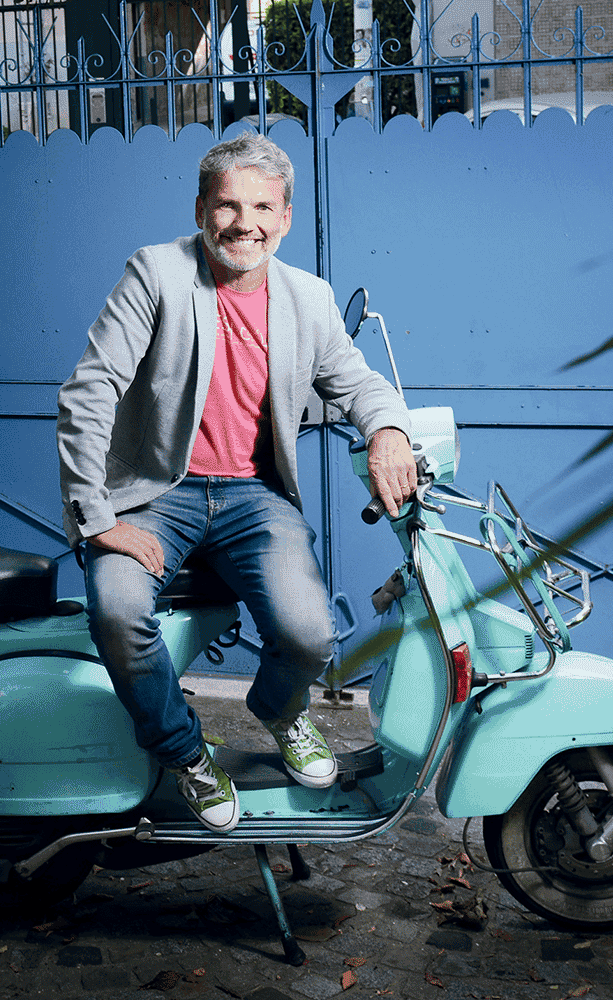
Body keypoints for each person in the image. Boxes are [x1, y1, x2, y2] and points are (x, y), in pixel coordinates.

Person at [57, 134, 417, 833]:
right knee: (117, 610)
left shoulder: (308, 298)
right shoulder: (156, 273)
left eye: (262, 207)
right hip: (156, 494)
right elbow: (89, 392)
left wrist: (388, 431)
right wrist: (97, 518)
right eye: (227, 205)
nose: (243, 223)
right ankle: (184, 753)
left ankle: (279, 710)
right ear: (201, 210)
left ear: (285, 218)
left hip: (252, 496)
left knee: (310, 633)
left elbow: (359, 384)